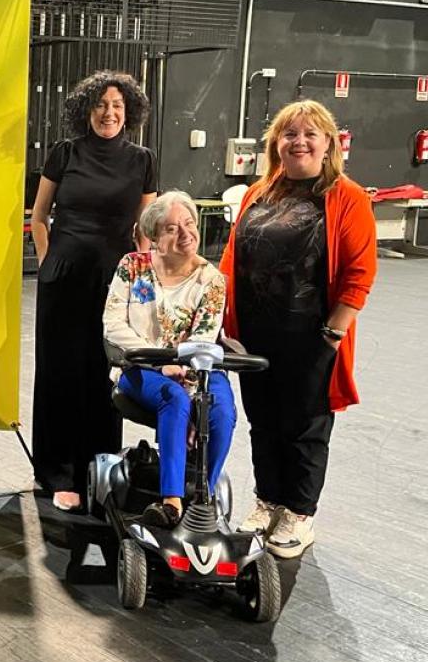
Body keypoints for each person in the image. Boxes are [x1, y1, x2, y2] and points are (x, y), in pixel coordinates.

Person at [220, 99, 377, 559]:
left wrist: (332, 334)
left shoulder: (347, 196)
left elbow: (359, 273)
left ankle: (298, 515)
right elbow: (232, 260)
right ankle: (268, 502)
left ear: (328, 143)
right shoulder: (258, 193)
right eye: (290, 134)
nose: (300, 142)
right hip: (253, 334)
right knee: (263, 422)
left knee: (304, 427)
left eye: (311, 134)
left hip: (312, 336)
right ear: (277, 144)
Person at [30, 70, 157, 511]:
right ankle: (56, 471)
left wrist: (140, 274)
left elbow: (146, 227)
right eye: (101, 105)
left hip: (114, 282)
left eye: (117, 106)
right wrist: (47, 261)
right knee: (60, 372)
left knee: (105, 374)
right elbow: (40, 215)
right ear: (87, 110)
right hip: (63, 278)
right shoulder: (65, 153)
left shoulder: (142, 160)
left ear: (130, 113)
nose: (109, 113)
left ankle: (99, 467)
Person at [103, 191, 233, 527]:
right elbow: (113, 325)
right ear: (156, 238)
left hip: (198, 367)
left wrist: (191, 385)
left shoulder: (211, 280)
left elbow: (204, 337)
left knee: (219, 410)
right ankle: (172, 502)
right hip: (141, 365)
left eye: (189, 223)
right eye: (172, 229)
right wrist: (160, 364)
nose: (185, 233)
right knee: (173, 399)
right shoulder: (132, 267)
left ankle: (202, 495)